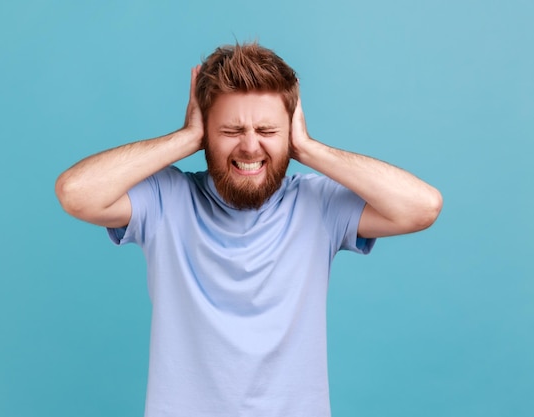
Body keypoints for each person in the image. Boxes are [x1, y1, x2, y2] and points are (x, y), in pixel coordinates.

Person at [55, 42, 442, 417]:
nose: (250, 147)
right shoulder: (165, 199)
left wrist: (307, 149)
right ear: (206, 131)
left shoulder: (318, 205)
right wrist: (184, 138)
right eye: (231, 131)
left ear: (289, 131)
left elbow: (422, 208)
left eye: (268, 131)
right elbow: (77, 194)